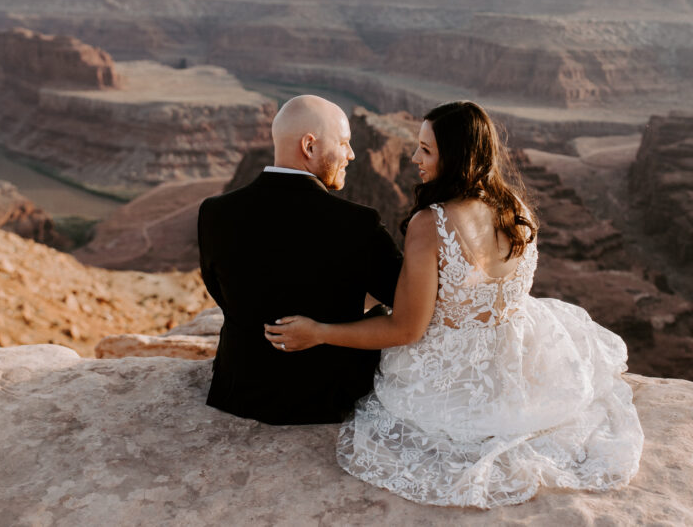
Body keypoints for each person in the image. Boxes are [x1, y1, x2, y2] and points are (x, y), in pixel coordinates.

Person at [264, 101, 643, 508]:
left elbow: (407, 329)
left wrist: (318, 332)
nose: (414, 158)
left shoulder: (432, 224)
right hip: (520, 364)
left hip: (451, 378)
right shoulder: (517, 208)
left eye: (425, 150)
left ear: (456, 156)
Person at [198, 95, 402, 425]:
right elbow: (406, 302)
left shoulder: (213, 212)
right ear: (310, 146)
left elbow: (219, 291)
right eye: (344, 143)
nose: (350, 155)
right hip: (325, 399)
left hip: (238, 391)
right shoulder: (357, 223)